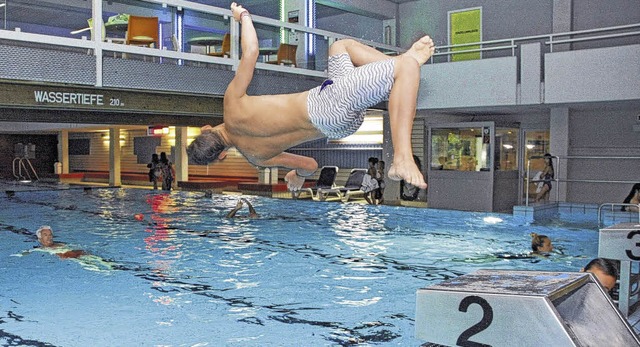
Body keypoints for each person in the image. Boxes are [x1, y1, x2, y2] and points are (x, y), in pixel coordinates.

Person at [187, 2, 433, 193]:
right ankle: (401, 156)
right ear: (206, 128)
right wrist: (243, 17)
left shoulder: (256, 158)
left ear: (220, 155)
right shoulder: (232, 105)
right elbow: (251, 51)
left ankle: (396, 67)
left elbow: (310, 165)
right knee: (408, 67)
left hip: (339, 127)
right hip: (326, 103)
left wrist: (297, 176)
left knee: (340, 47)